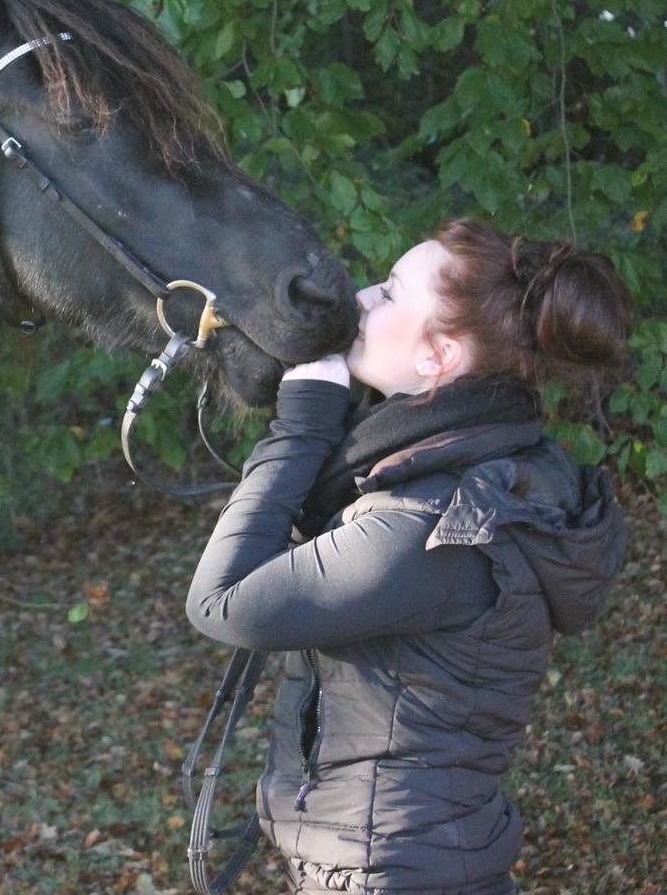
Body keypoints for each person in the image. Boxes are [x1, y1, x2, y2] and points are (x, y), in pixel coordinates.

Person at [186, 218, 631, 895]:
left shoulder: (431, 528)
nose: (362, 298)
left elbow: (222, 602)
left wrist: (302, 421)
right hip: (411, 862)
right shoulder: (480, 466)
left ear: (438, 358)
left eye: (390, 292)